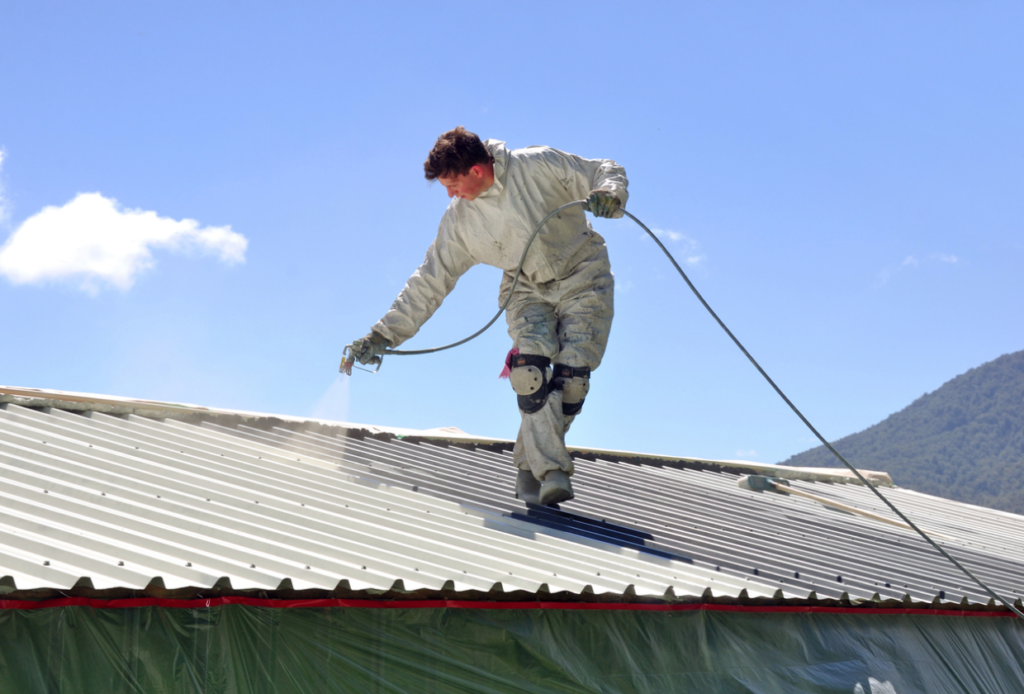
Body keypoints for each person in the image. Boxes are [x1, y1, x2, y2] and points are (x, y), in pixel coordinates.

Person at [347, 126, 628, 506]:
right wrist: (383, 335)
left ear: (476, 171)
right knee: (528, 373)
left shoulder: (536, 165)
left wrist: (609, 192)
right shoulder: (460, 222)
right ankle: (553, 471)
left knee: (572, 379)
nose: (450, 194)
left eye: (452, 184)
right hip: (525, 287)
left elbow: (602, 168)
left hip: (585, 274)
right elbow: (430, 280)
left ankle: (528, 467)